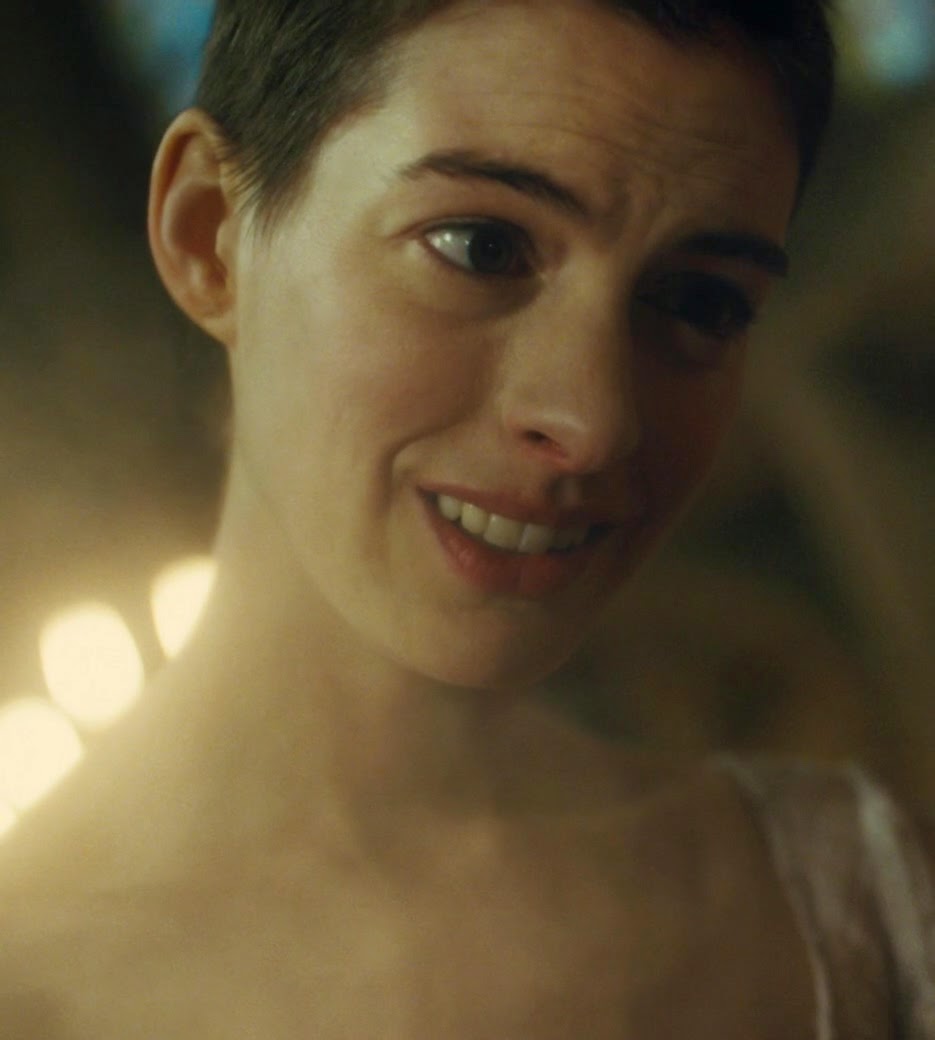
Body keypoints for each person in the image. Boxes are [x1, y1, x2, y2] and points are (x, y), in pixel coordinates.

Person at [0, 0, 932, 1036]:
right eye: (479, 246)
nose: (593, 421)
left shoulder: (845, 906)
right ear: (210, 232)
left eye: (699, 301)